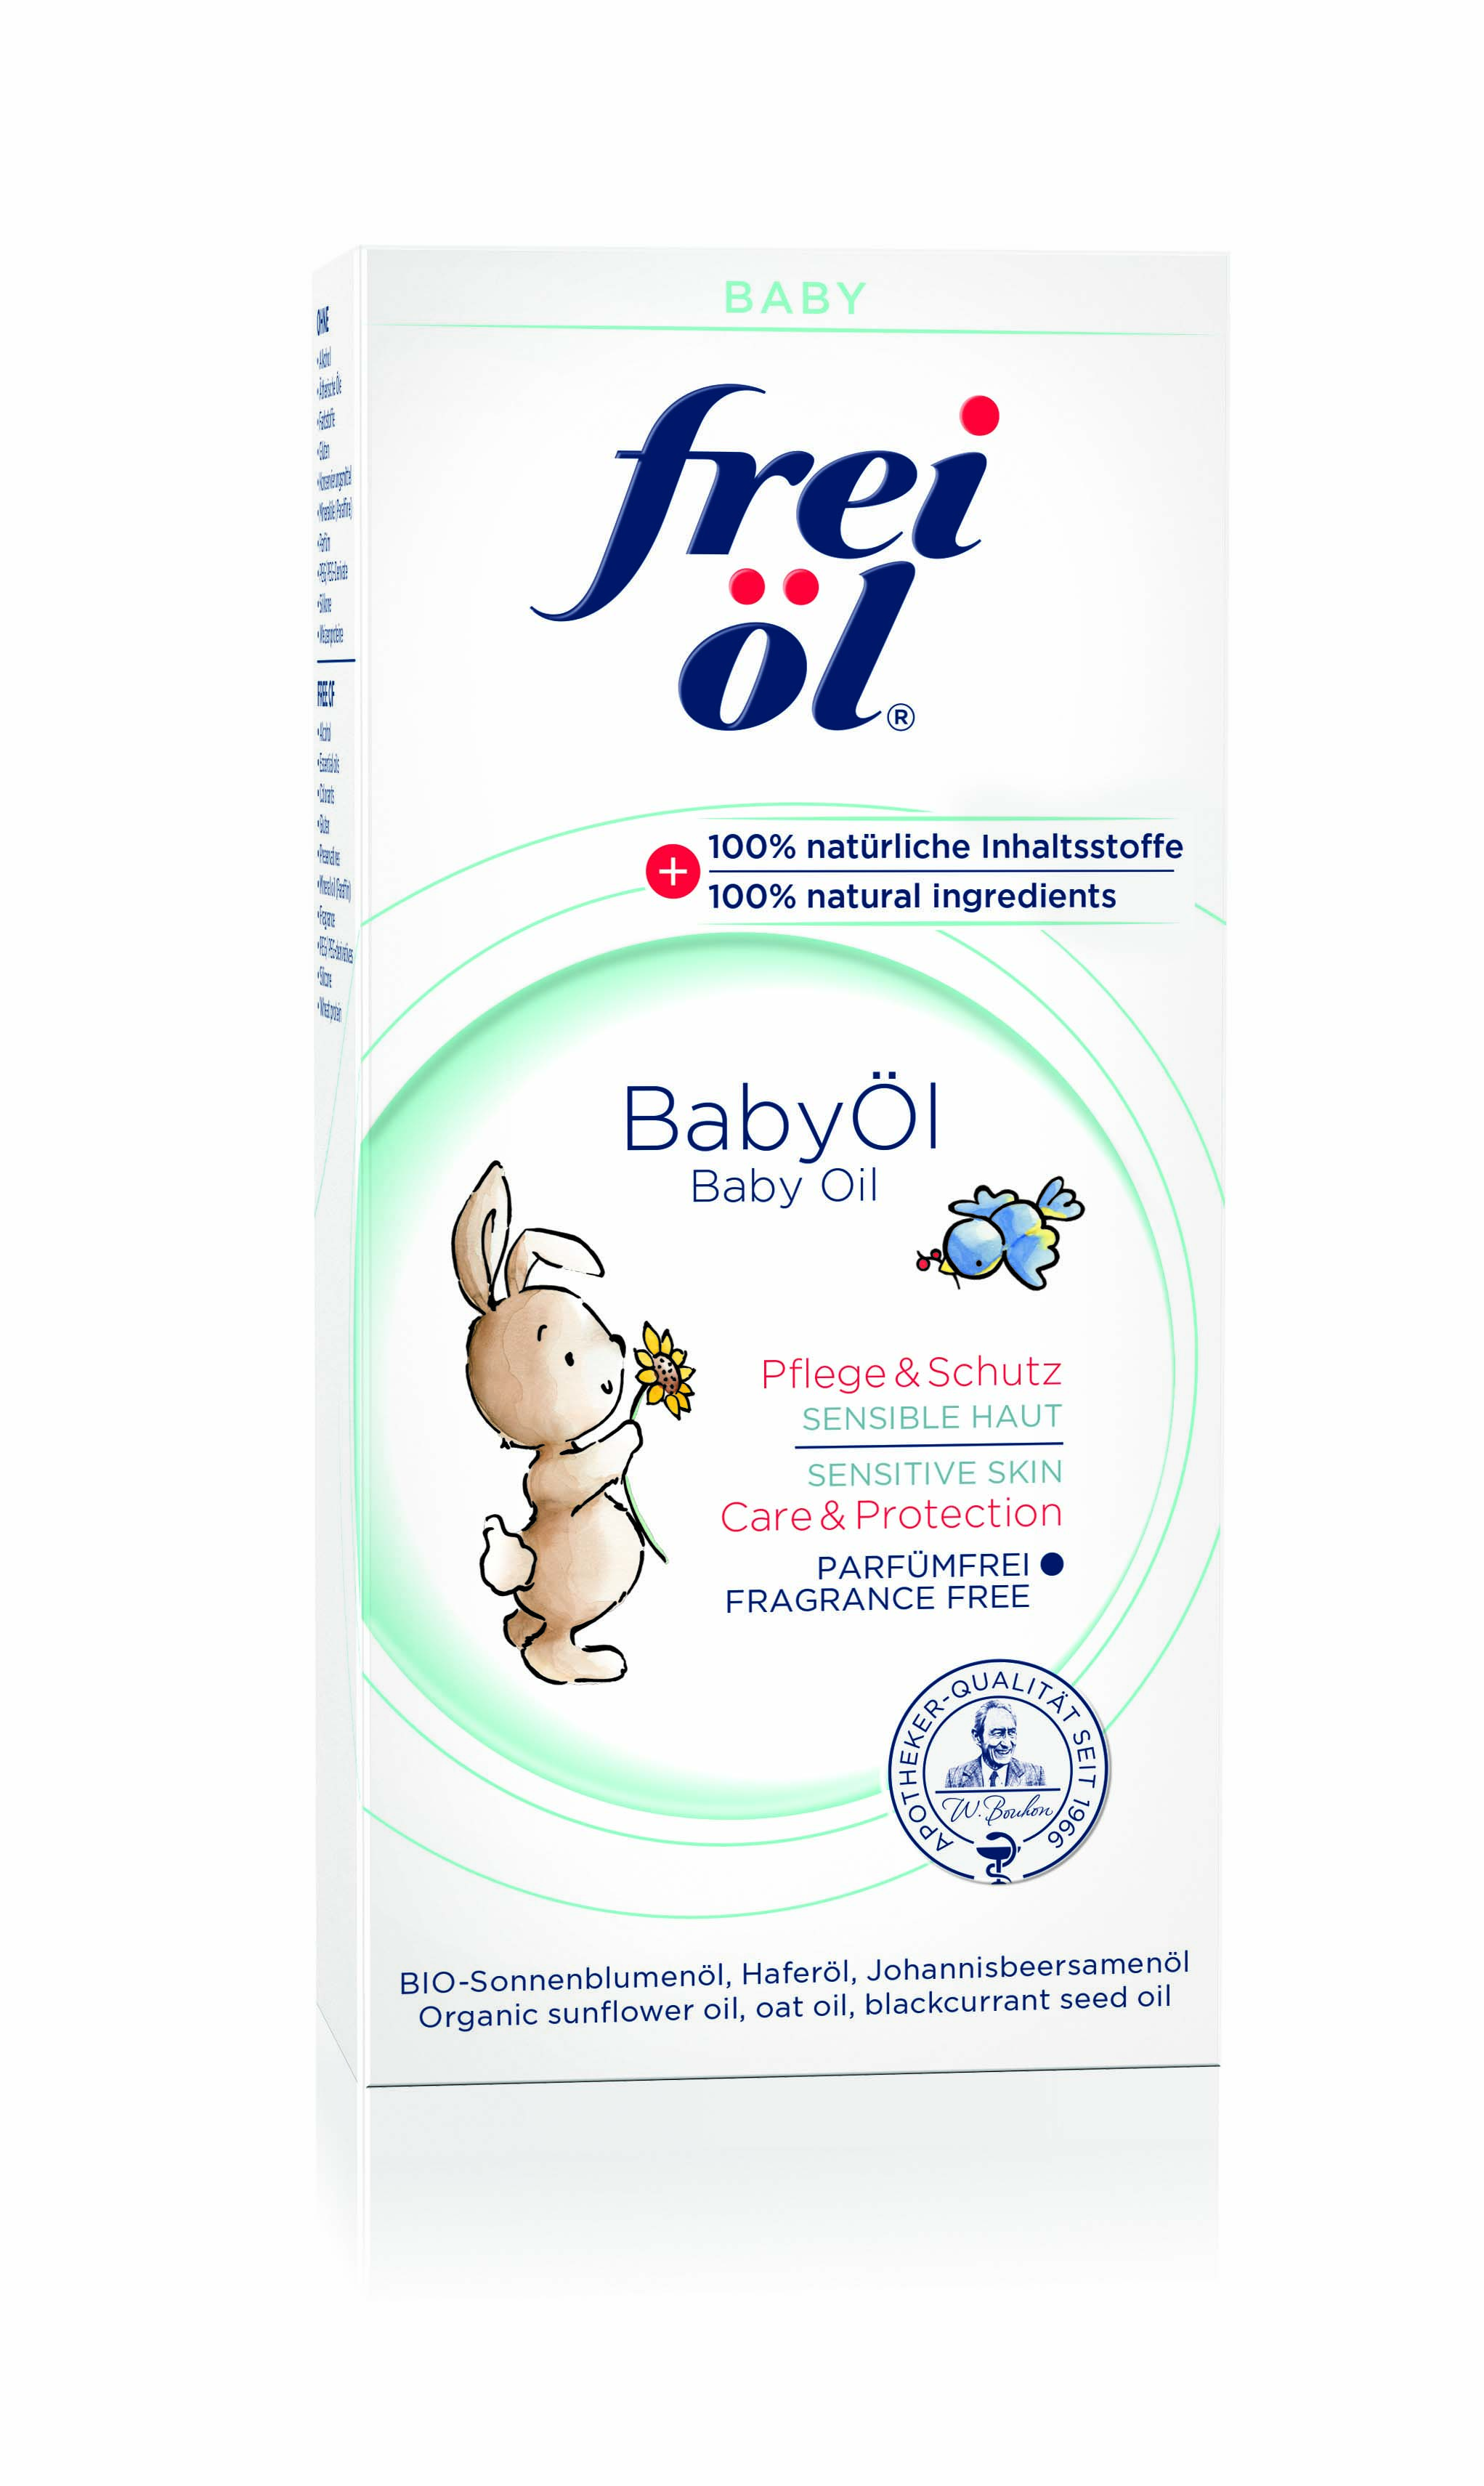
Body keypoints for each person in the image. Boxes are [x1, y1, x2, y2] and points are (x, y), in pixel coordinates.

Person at [943, 1700, 1045, 1789]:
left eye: (1011, 1733)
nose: (1007, 1744)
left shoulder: (1035, 1775)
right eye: (998, 1734)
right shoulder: (955, 1777)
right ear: (977, 1737)